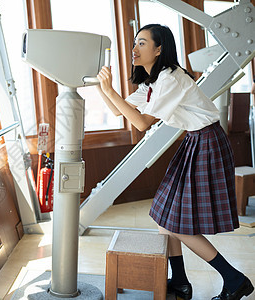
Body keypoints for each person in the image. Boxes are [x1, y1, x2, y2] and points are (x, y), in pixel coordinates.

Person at [96, 24, 254, 300]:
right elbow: (123, 108)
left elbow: (142, 123)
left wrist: (110, 92)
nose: (134, 49)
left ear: (159, 49)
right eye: (134, 43)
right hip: (195, 141)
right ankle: (180, 282)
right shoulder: (152, 82)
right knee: (163, 216)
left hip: (207, 142)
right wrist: (102, 88)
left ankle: (234, 279)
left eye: (142, 43)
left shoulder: (170, 78)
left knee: (179, 224)